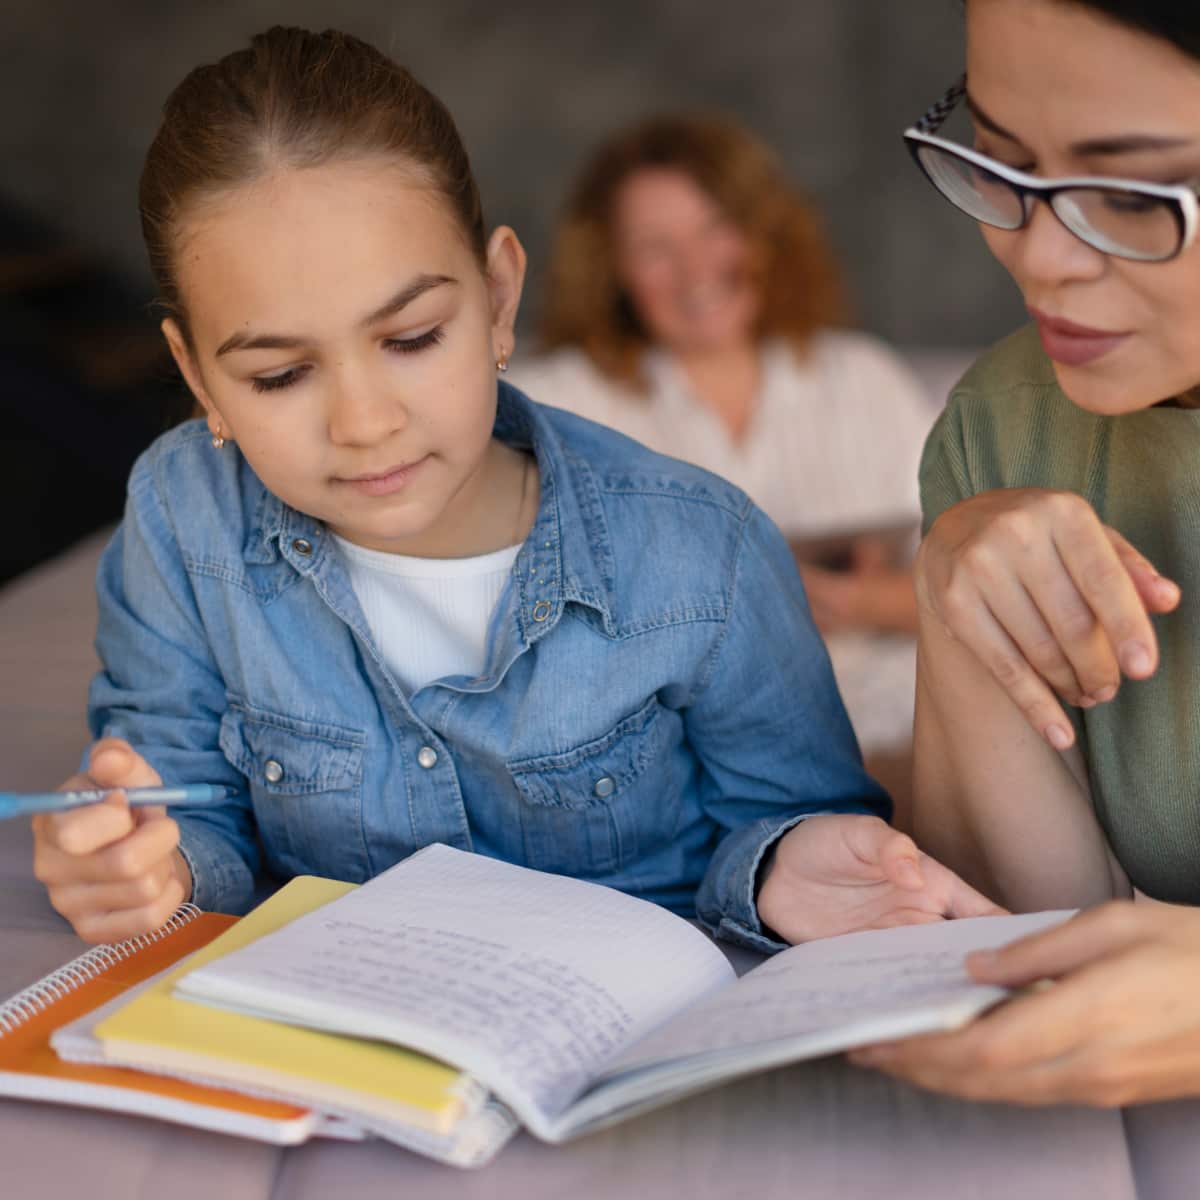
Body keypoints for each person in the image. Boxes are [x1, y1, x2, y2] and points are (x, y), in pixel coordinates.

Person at [29, 28, 995, 952]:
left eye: (411, 340)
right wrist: (148, 868)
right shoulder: (181, 511)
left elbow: (786, 820)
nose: (364, 424)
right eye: (280, 376)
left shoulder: (705, 552)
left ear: (497, 300)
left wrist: (792, 862)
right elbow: (185, 802)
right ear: (198, 380)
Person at [847, 0, 1200, 1106]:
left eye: (1134, 196)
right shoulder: (1007, 421)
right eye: (997, 162)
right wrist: (953, 587)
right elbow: (1021, 954)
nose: (1039, 257)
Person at [508, 115, 935, 792]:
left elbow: (971, 591)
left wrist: (847, 601)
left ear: (766, 235)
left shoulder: (861, 377)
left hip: (898, 725)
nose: (695, 269)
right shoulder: (556, 402)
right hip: (677, 745)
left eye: (715, 228)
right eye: (655, 247)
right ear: (612, 269)